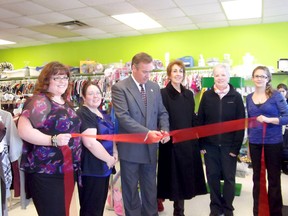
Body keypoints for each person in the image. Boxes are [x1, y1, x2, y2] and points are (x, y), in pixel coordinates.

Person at [17, 61, 82, 216]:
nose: (62, 81)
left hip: (65, 168)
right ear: (46, 80)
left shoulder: (64, 101)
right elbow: (24, 131)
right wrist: (52, 140)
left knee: (62, 210)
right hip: (47, 172)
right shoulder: (39, 102)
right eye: (57, 78)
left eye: (65, 77)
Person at [111, 52, 170, 216]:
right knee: (130, 189)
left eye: (150, 71)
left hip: (151, 149)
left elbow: (162, 112)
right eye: (145, 71)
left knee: (150, 188)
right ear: (133, 68)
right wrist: (147, 133)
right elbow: (123, 117)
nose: (147, 75)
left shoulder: (154, 87)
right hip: (131, 150)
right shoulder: (120, 88)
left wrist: (165, 129)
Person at [157, 60, 207, 216]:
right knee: (173, 180)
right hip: (171, 144)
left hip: (188, 143)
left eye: (181, 71)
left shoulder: (189, 94)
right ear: (169, 74)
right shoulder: (162, 93)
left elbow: (192, 117)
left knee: (185, 179)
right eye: (175, 71)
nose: (178, 74)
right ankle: (176, 212)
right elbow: (160, 117)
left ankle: (180, 211)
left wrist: (198, 140)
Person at [198, 63, 245, 216]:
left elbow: (240, 125)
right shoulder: (206, 96)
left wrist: (235, 149)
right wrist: (201, 143)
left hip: (228, 147)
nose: (220, 78)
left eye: (223, 74)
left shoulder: (236, 97)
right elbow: (201, 121)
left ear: (228, 77)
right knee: (212, 178)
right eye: (217, 75)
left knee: (229, 179)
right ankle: (216, 207)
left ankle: (228, 208)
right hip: (210, 146)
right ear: (213, 77)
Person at [246, 66, 288, 216]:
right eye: (256, 76)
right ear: (252, 78)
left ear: (268, 79)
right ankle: (258, 211)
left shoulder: (276, 96)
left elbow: (286, 117)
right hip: (255, 143)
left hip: (273, 143)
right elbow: (250, 123)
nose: (259, 79)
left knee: (274, 178)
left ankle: (275, 212)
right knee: (257, 179)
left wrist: (269, 120)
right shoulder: (248, 98)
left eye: (263, 76)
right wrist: (249, 146)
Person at [76, 81, 118, 216]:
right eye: (90, 93)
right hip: (91, 168)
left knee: (98, 207)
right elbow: (90, 143)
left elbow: (111, 136)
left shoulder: (101, 113)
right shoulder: (83, 113)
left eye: (97, 93)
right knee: (91, 209)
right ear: (83, 96)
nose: (95, 96)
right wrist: (109, 159)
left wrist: (115, 153)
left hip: (104, 167)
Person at [277, 83, 288, 174]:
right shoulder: (275, 102)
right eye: (279, 91)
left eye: (283, 91)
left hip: (286, 129)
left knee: (285, 148)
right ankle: (279, 166)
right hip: (277, 128)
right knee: (279, 147)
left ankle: (285, 166)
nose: (281, 93)